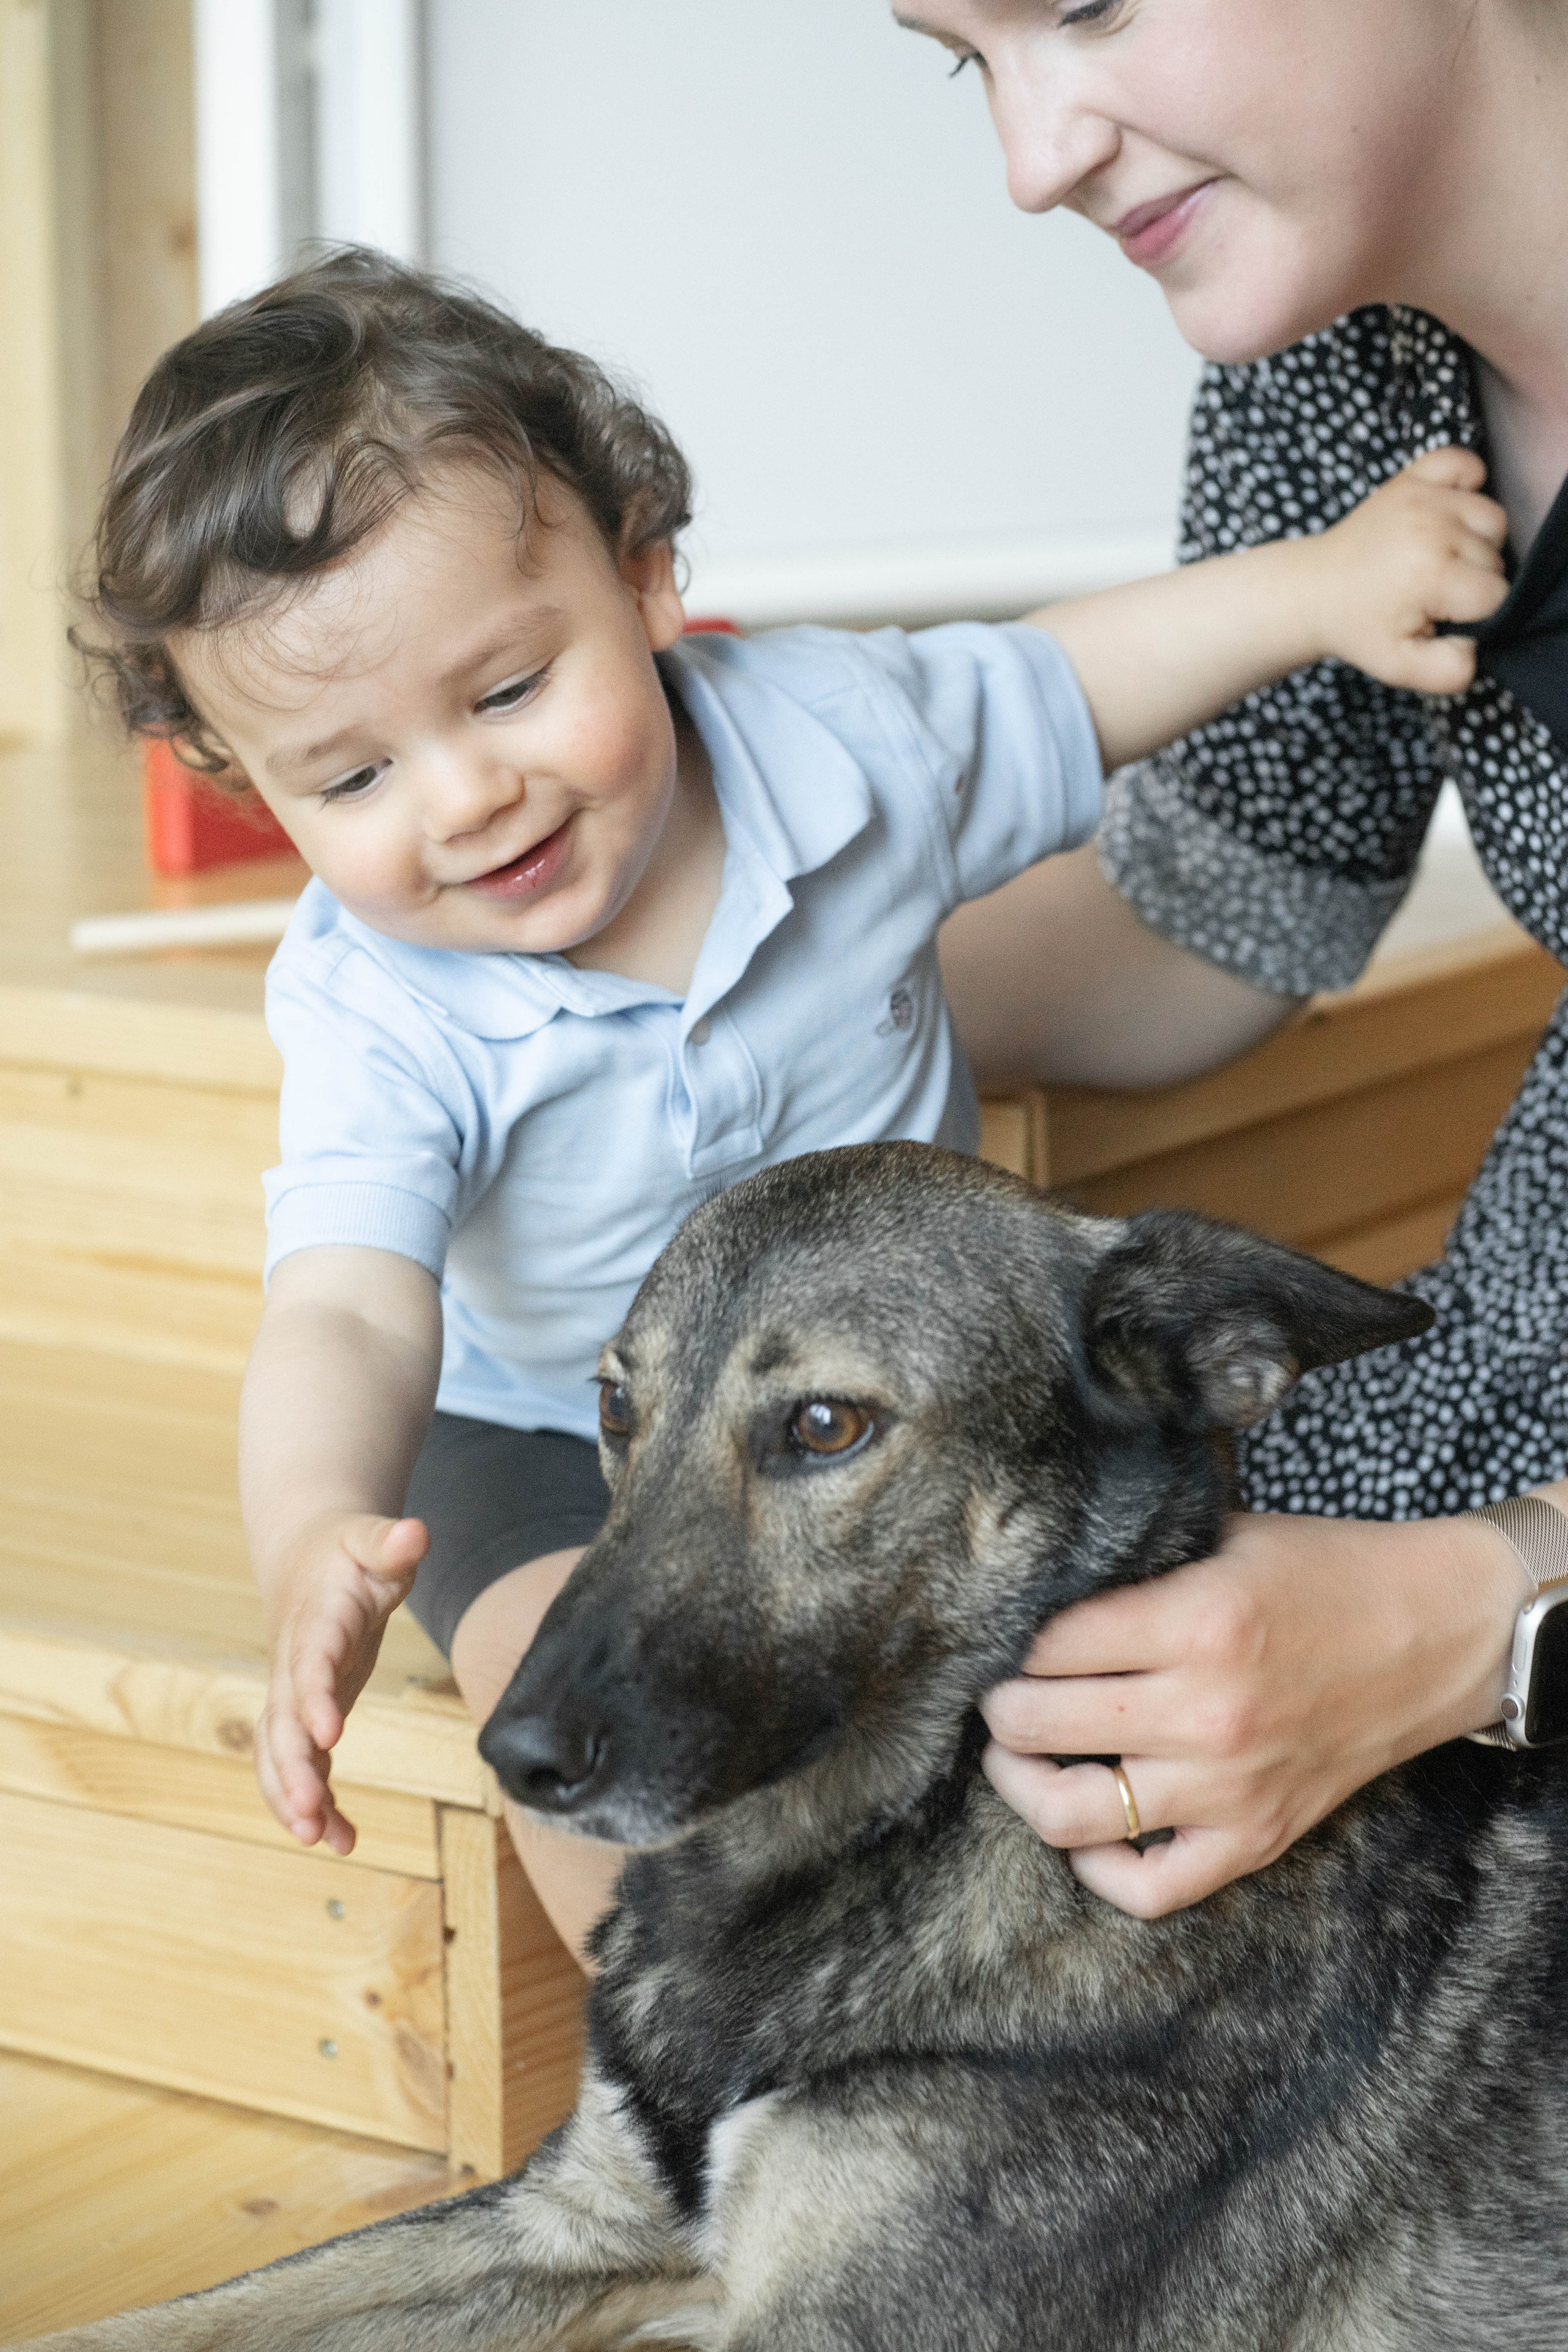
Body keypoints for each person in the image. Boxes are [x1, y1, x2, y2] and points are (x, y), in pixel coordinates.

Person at [79, 249, 1504, 1959]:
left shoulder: (838, 744)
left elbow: (1073, 678)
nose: (464, 798)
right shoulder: (378, 1006)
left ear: (646, 576)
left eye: (509, 691)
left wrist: (1325, 587)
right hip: (542, 1434)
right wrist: (316, 1525)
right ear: (251, 786)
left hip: (886, 1387)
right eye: (356, 776)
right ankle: (674, 2053)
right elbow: (346, 1309)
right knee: (566, 1705)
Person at [895, 0, 1568, 1917]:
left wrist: (1482, 1614)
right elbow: (1228, 899)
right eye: (966, 58)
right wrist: (732, 983)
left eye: (1085, 3)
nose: (1035, 162)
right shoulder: (1343, 351)